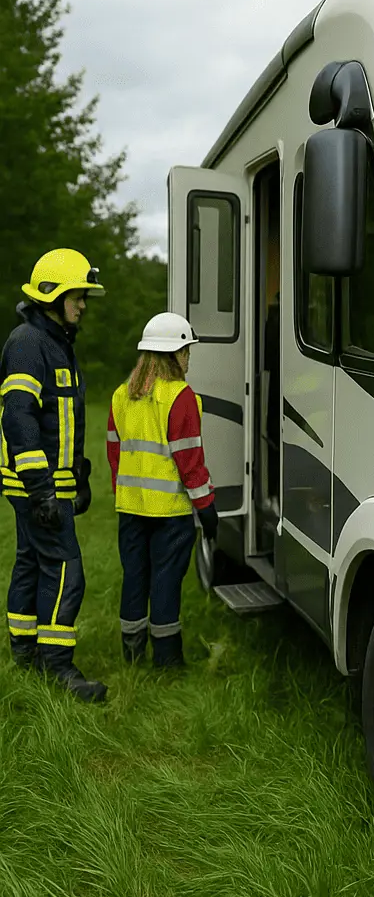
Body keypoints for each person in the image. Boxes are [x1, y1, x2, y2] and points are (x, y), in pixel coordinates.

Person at [0, 248, 106, 702]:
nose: (82, 305)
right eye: (77, 296)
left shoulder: (55, 343)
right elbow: (19, 418)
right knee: (65, 568)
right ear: (53, 295)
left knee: (31, 561)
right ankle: (58, 667)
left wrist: (76, 478)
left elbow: (57, 421)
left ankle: (24, 652)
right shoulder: (29, 343)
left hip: (45, 483)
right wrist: (43, 488)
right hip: (35, 484)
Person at [106, 312, 218, 668]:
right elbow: (190, 461)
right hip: (170, 513)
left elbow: (115, 453)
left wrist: (123, 493)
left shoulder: (121, 395)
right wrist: (207, 507)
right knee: (166, 585)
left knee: (135, 580)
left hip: (130, 509)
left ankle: (132, 654)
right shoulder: (179, 396)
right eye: (186, 351)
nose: (189, 359)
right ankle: (167, 661)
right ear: (174, 354)